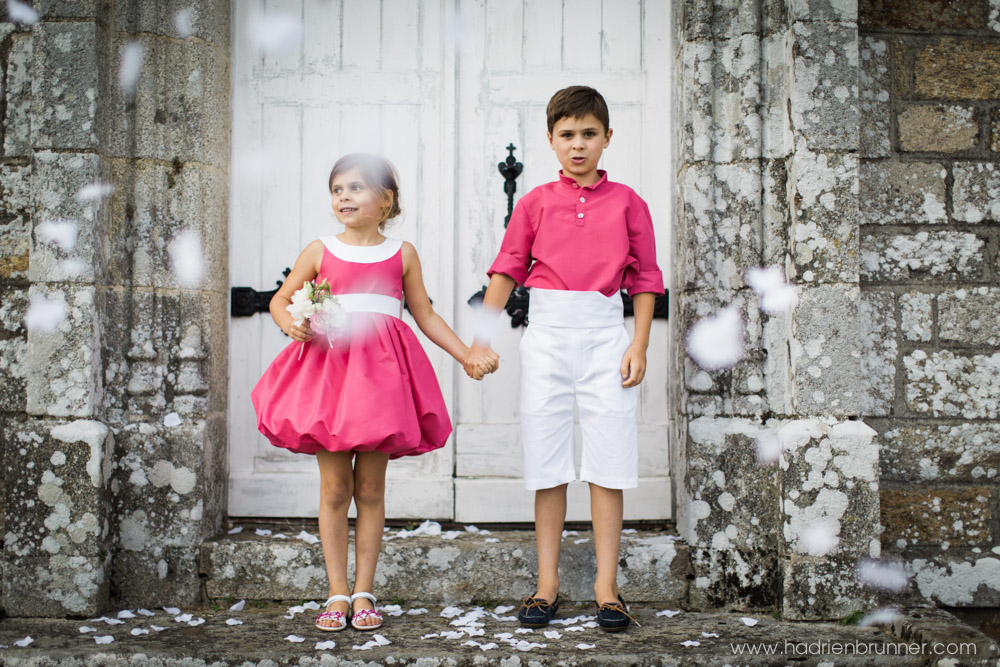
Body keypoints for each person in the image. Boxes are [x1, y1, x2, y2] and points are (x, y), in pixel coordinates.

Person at [252, 153, 497, 632]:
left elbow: (424, 314)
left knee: (369, 488)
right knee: (335, 488)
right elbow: (281, 298)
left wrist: (466, 353)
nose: (344, 196)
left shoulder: (401, 253)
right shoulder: (320, 249)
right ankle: (336, 592)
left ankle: (364, 590)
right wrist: (289, 323)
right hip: (330, 377)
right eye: (338, 188)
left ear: (385, 201)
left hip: (380, 382)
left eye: (357, 187)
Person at [464, 86, 664, 632]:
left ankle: (606, 587)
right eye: (567, 135)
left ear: (607, 138)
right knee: (548, 460)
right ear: (551, 140)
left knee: (608, 458)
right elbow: (505, 269)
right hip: (547, 335)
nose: (578, 146)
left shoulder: (628, 202)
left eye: (589, 135)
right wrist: (484, 339)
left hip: (605, 336)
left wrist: (639, 343)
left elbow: (646, 278)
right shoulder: (534, 203)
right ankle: (547, 583)